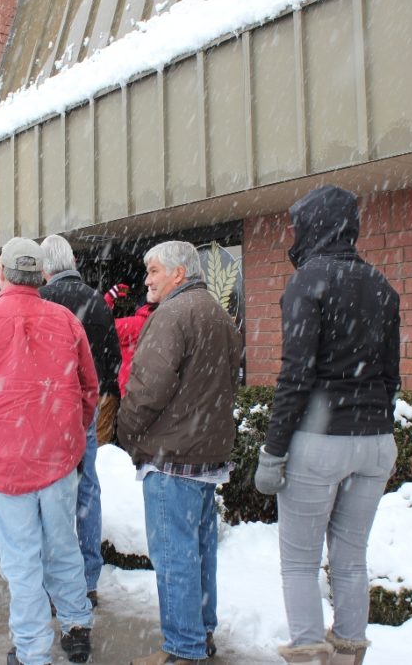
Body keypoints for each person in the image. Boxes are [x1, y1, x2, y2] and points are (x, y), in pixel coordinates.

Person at [253, 185, 400, 665]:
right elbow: (391, 377)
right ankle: (348, 656)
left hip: (319, 442)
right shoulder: (382, 285)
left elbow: (296, 375)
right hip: (376, 440)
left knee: (299, 562)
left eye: (297, 226)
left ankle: (310, 656)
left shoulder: (307, 282)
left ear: (315, 226)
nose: (291, 237)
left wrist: (273, 451)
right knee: (351, 559)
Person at [0, 237, 98, 665]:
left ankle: (32, 649)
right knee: (62, 545)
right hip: (57, 457)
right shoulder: (67, 321)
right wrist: (71, 434)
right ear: (40, 275)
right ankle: (76, 626)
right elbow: (90, 389)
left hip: (5, 461)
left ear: (1, 275)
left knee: (21, 560)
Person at [117, 240, 243, 665]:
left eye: (153, 271)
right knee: (199, 552)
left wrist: (127, 432)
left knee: (175, 557)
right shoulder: (218, 315)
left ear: (178, 273)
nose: (147, 280)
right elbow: (227, 382)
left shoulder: (172, 314)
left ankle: (183, 649)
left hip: (173, 457)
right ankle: (200, 633)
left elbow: (147, 388)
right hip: (205, 456)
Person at [38, 234, 121, 607]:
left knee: (49, 493)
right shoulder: (96, 302)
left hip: (47, 410)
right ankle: (88, 577)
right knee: (87, 488)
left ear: (44, 269)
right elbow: (113, 358)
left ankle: (55, 577)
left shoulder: (40, 302)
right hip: (86, 407)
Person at [103, 282, 158, 396]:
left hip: (129, 388)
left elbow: (103, 326)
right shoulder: (161, 320)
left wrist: (109, 297)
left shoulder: (136, 324)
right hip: (150, 386)